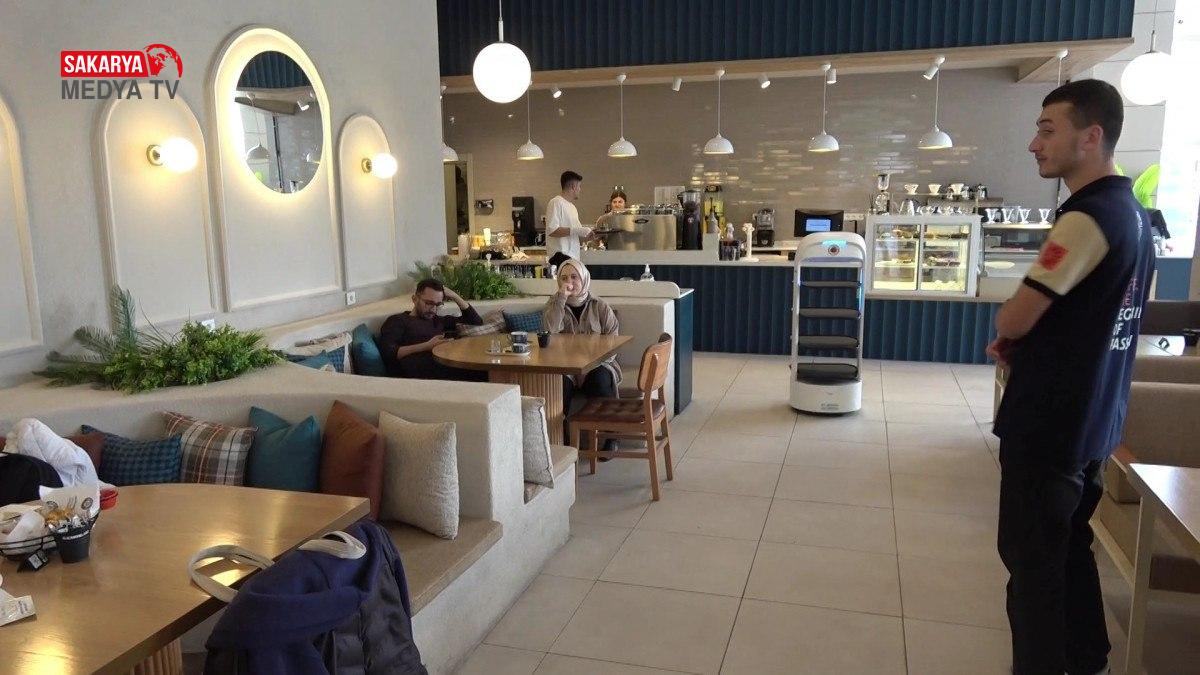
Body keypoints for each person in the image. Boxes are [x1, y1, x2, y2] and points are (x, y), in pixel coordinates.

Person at [988, 79, 1155, 675]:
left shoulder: (1086, 217)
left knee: (1031, 565)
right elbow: (1106, 312)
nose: (1034, 144)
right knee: (1069, 547)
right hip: (1094, 419)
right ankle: (1089, 660)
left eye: (1047, 129)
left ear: (1091, 136)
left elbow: (1016, 314)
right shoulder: (1133, 213)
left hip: (1051, 423)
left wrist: (1014, 330)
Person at [543, 258, 621, 453]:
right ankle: (560, 439)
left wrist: (589, 366)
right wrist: (560, 299)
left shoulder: (600, 306)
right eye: (564, 278)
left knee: (600, 381)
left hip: (598, 364)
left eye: (574, 277)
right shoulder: (554, 304)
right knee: (557, 386)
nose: (569, 282)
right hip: (565, 366)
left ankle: (610, 436)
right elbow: (549, 331)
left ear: (584, 278)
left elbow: (613, 344)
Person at [377, 279, 486, 381]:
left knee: (485, 370)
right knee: (483, 373)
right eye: (428, 303)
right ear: (415, 299)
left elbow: (475, 321)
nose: (433, 309)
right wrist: (427, 346)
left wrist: (455, 296)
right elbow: (389, 353)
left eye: (438, 304)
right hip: (416, 375)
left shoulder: (437, 321)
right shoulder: (398, 320)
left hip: (445, 369)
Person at [545, 170, 593, 269]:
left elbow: (577, 235)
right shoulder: (555, 202)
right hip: (561, 258)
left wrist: (590, 236)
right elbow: (552, 230)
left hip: (574, 259)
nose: (580, 189)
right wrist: (576, 230)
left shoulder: (572, 207)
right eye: (579, 186)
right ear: (573, 187)